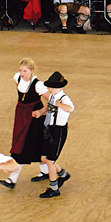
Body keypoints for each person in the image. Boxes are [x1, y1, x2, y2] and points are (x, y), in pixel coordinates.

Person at [1, 58, 50, 186]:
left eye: (25, 71)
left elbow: (52, 101)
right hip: (22, 115)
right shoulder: (17, 78)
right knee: (35, 146)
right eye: (20, 70)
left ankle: (12, 179)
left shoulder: (38, 85)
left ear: (32, 71)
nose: (22, 73)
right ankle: (46, 172)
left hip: (34, 118)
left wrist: (40, 112)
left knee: (24, 145)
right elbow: (21, 96)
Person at [38, 71, 74, 199]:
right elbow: (48, 108)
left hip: (58, 131)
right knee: (45, 158)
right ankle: (63, 175)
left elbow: (71, 108)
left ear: (60, 87)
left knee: (50, 161)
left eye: (52, 87)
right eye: (49, 86)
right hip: (50, 129)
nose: (50, 89)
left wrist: (60, 105)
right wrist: (40, 112)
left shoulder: (64, 98)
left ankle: (54, 188)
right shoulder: (53, 97)